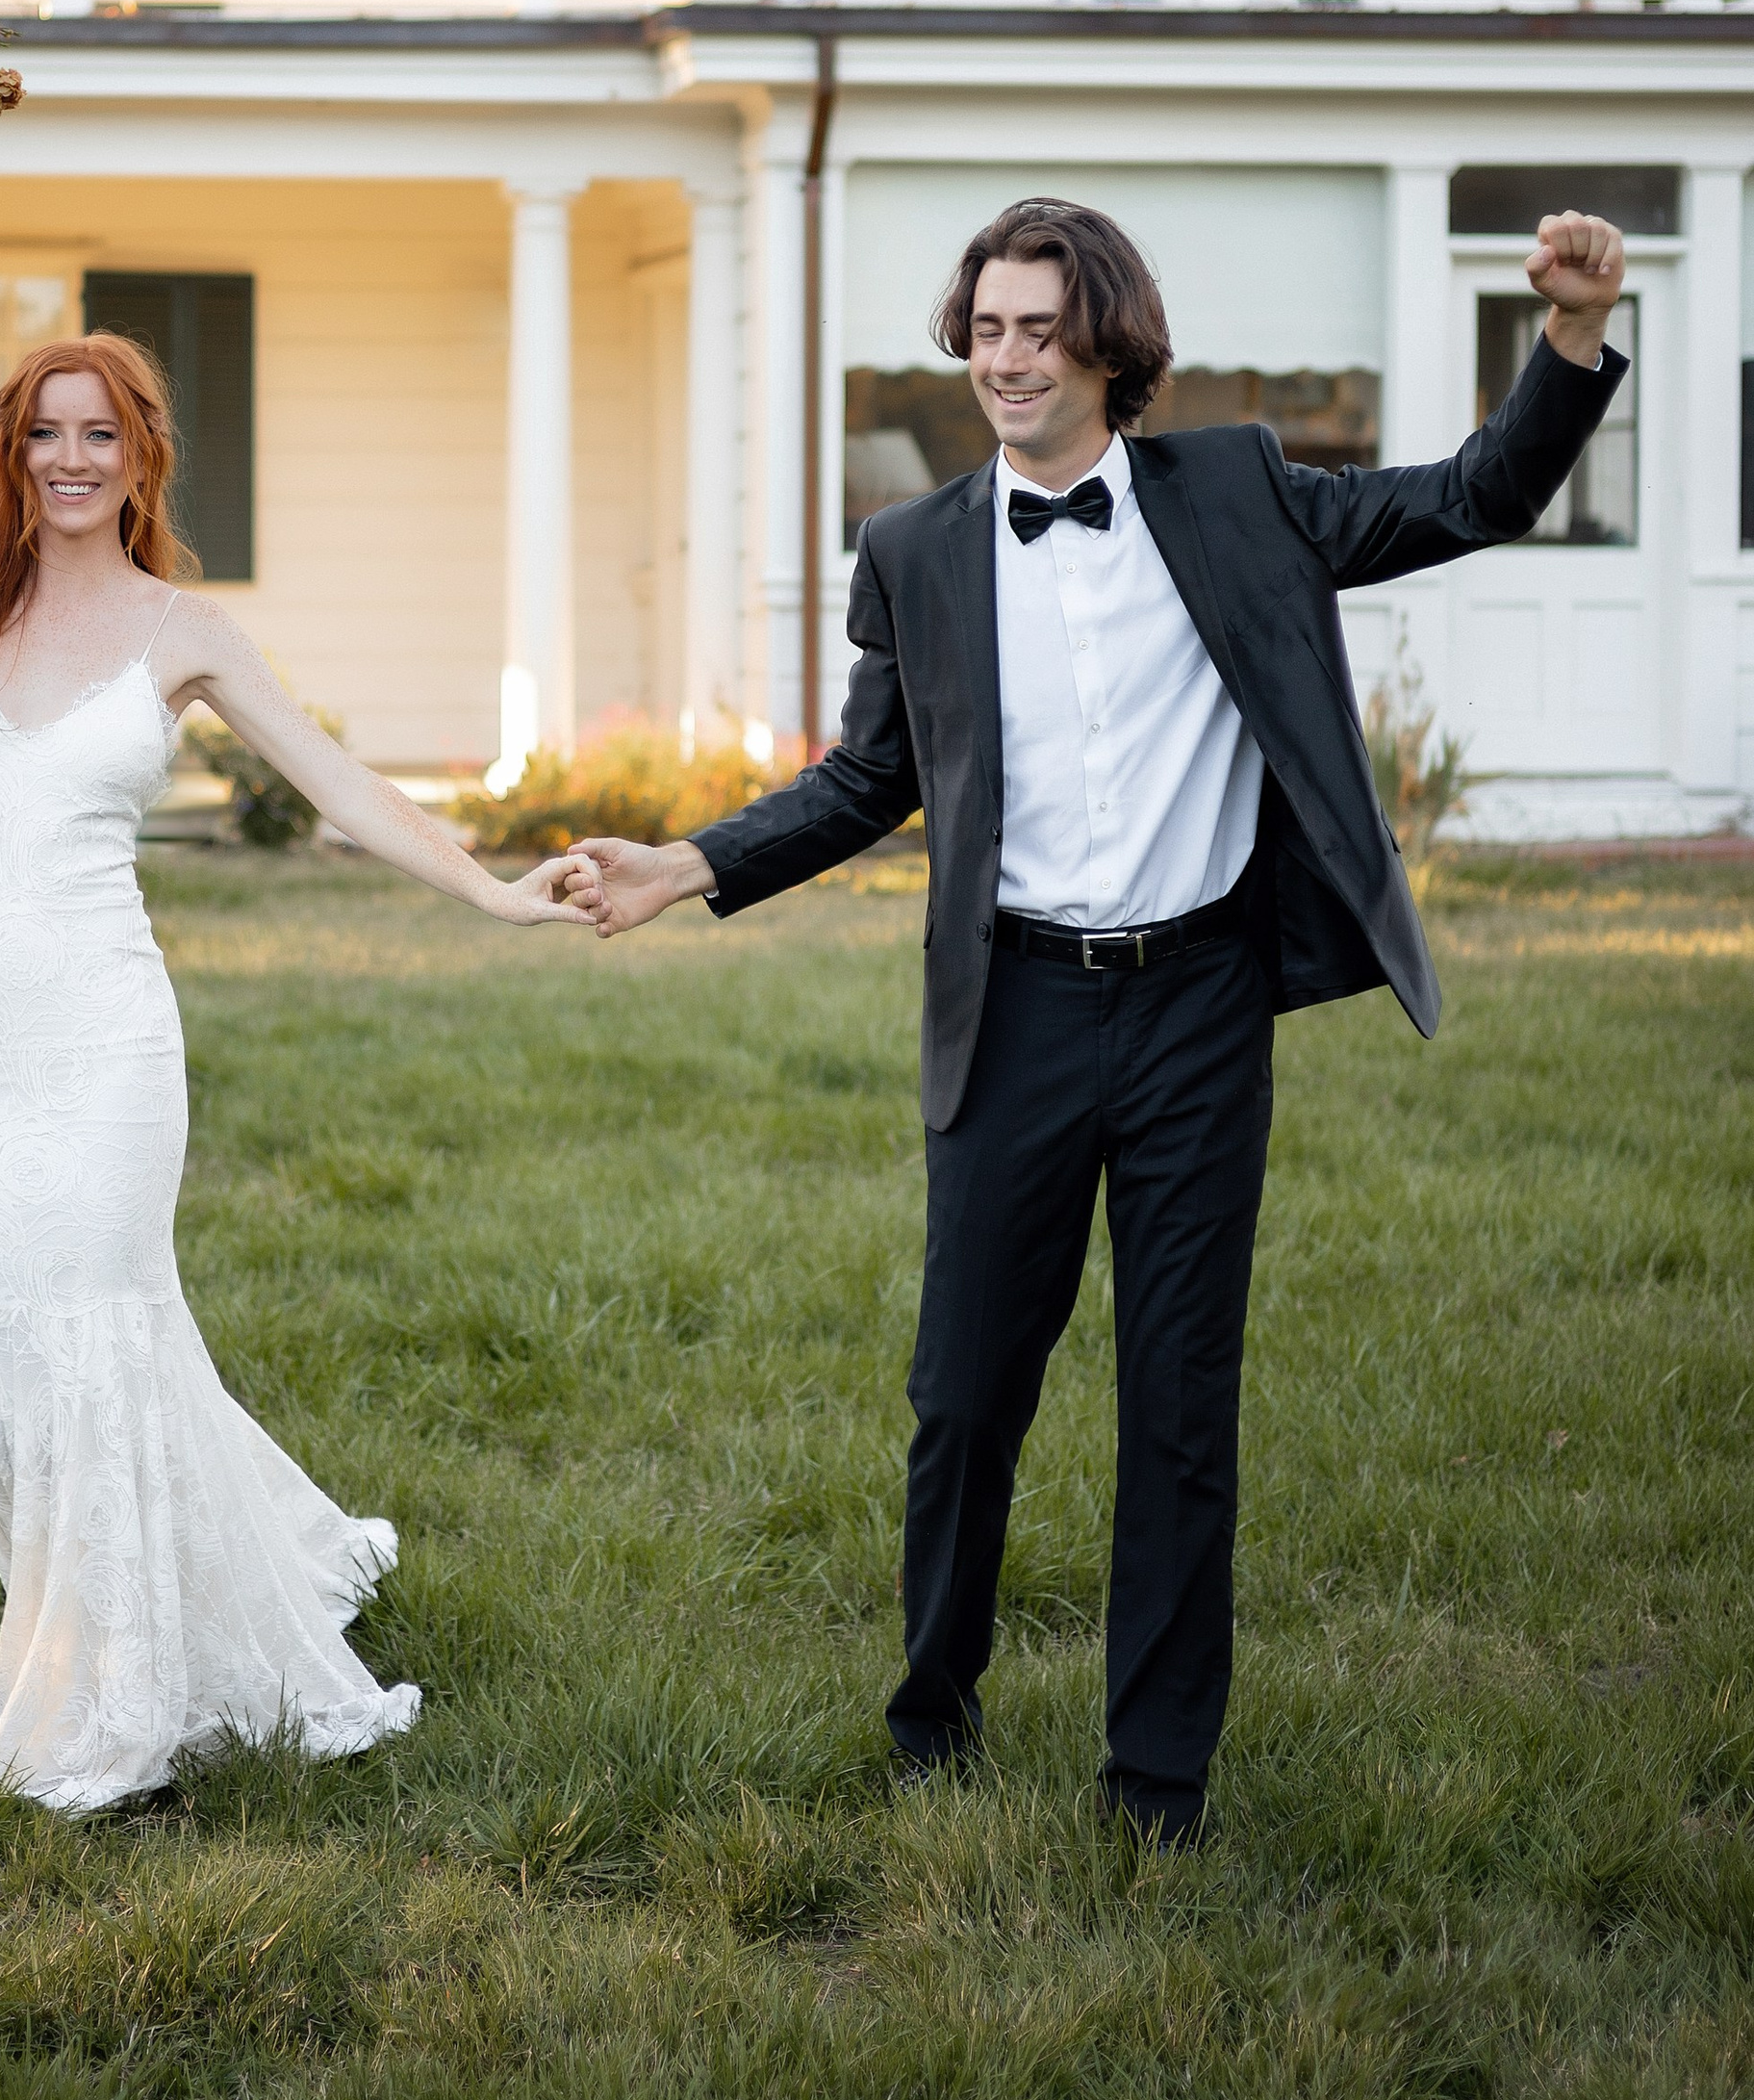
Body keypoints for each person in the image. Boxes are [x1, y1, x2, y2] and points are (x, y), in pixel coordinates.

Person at [561, 197, 1629, 1844]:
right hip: (1019, 1013)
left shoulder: (1243, 490)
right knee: (964, 1390)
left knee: (1181, 1401)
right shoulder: (913, 550)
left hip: (1201, 1006)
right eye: (985, 327)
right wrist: (688, 865)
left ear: (1108, 344)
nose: (1004, 357)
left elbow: (1476, 496)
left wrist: (1562, 339)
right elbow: (871, 779)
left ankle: (1158, 1780)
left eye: (1037, 329)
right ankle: (933, 1710)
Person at [0, 115, 590, 1813]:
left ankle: (111, 1710)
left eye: (100, 433)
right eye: (43, 431)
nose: (70, 457)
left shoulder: (187, 635)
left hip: (105, 1053)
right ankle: (196, 1585)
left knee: (94, 1346)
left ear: (141, 457)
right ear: (18, 453)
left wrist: (500, 894)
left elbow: (345, 792)